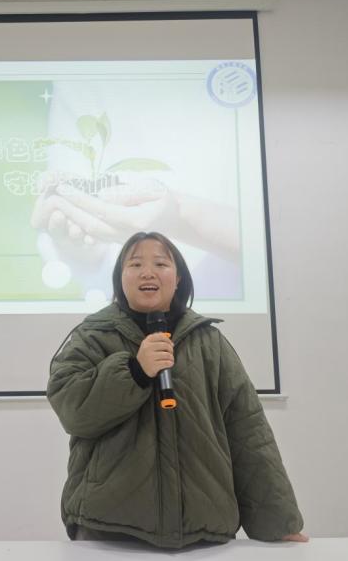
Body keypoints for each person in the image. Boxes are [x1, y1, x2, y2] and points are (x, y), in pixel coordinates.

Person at [46, 231, 307, 549]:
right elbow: (74, 411)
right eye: (135, 264)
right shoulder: (91, 337)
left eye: (160, 263)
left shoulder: (209, 342)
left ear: (178, 277)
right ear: (120, 277)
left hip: (203, 537)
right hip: (108, 533)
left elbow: (248, 432)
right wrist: (135, 372)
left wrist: (277, 522)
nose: (148, 272)